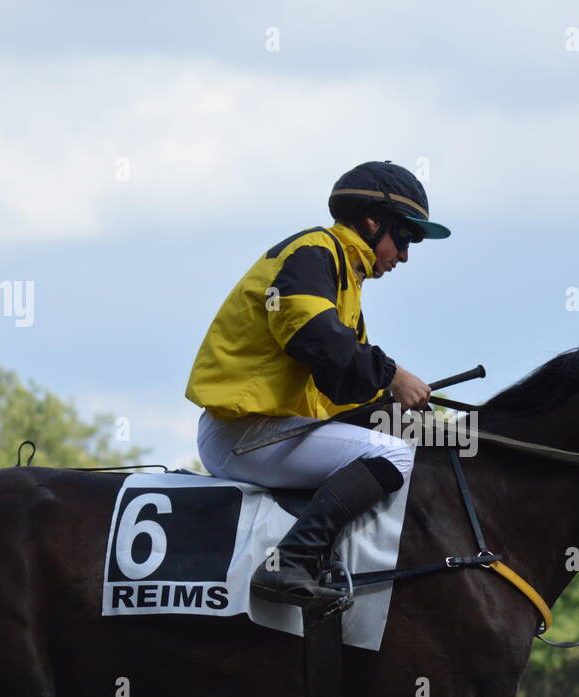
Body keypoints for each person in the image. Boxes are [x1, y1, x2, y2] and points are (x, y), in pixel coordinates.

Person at [185, 161, 450, 609]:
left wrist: (417, 417)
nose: (404, 256)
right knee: (391, 455)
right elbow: (319, 341)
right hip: (244, 433)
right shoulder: (314, 253)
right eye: (405, 238)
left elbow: (343, 389)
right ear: (373, 222)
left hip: (274, 430)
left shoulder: (344, 277)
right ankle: (287, 562)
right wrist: (394, 376)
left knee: (400, 437)